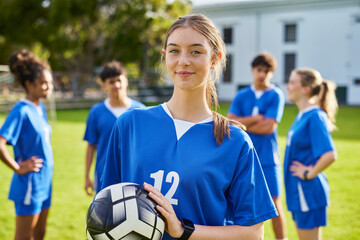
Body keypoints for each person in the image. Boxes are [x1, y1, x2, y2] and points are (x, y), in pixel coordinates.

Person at [100, 14, 278, 240]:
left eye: (195, 51)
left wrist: (183, 230)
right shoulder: (130, 124)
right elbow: (104, 210)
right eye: (174, 51)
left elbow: (253, 233)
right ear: (165, 57)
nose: (183, 60)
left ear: (215, 59)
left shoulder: (235, 142)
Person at [227, 52, 287, 240]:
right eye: (259, 70)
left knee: (275, 204)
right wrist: (255, 119)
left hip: (268, 158)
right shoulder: (242, 94)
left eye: (266, 71)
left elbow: (268, 126)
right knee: (239, 203)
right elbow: (230, 122)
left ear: (272, 73)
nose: (262, 74)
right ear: (253, 70)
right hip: (243, 158)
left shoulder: (275, 94)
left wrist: (244, 123)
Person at [0, 49, 53, 240]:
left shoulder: (40, 108)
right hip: (30, 183)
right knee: (24, 237)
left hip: (45, 181)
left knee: (39, 234)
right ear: (29, 84)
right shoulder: (21, 110)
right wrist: (18, 168)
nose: (48, 87)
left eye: (50, 83)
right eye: (43, 83)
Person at [284, 68, 337, 240]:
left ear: (306, 89)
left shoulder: (315, 116)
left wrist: (308, 173)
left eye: (292, 82)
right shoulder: (302, 115)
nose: (288, 86)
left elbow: (329, 154)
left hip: (307, 191)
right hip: (298, 192)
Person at [83, 61, 145, 195]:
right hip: (105, 175)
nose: (116, 85)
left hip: (134, 175)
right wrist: (87, 176)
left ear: (126, 81)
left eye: (119, 80)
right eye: (111, 82)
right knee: (106, 215)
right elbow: (91, 146)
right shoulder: (96, 112)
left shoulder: (141, 111)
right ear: (104, 85)